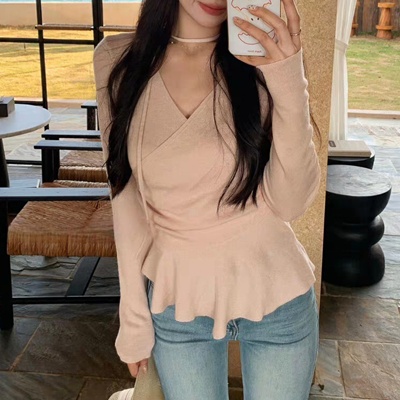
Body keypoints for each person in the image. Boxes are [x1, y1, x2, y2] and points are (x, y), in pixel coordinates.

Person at [93, 0, 322, 399]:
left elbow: (290, 203)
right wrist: (133, 316)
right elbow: (125, 197)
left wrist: (288, 76)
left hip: (278, 299)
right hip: (177, 304)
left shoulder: (264, 57)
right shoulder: (118, 60)